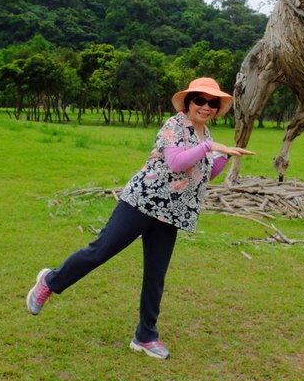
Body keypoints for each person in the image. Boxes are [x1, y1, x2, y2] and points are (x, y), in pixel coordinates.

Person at [26, 77, 254, 359]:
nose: (206, 107)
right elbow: (176, 163)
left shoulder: (205, 136)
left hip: (170, 213)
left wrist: (224, 158)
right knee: (100, 251)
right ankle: (49, 282)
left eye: (212, 103)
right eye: (200, 100)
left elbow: (199, 176)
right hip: (141, 202)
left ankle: (145, 336)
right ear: (188, 102)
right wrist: (211, 149)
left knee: (156, 276)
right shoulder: (174, 126)